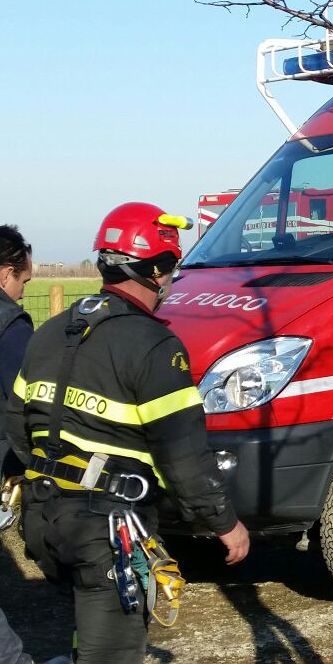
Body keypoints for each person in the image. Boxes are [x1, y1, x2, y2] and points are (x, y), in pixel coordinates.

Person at [3, 203, 250, 663]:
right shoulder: (155, 345)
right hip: (106, 531)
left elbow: (18, 426)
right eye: (171, 268)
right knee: (111, 652)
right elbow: (183, 455)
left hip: (46, 522)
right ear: (158, 270)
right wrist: (225, 523)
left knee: (88, 630)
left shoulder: (51, 332)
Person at [0, 225, 34, 475]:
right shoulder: (11, 326)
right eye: (23, 282)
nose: (22, 294)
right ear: (5, 275)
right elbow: (28, 402)